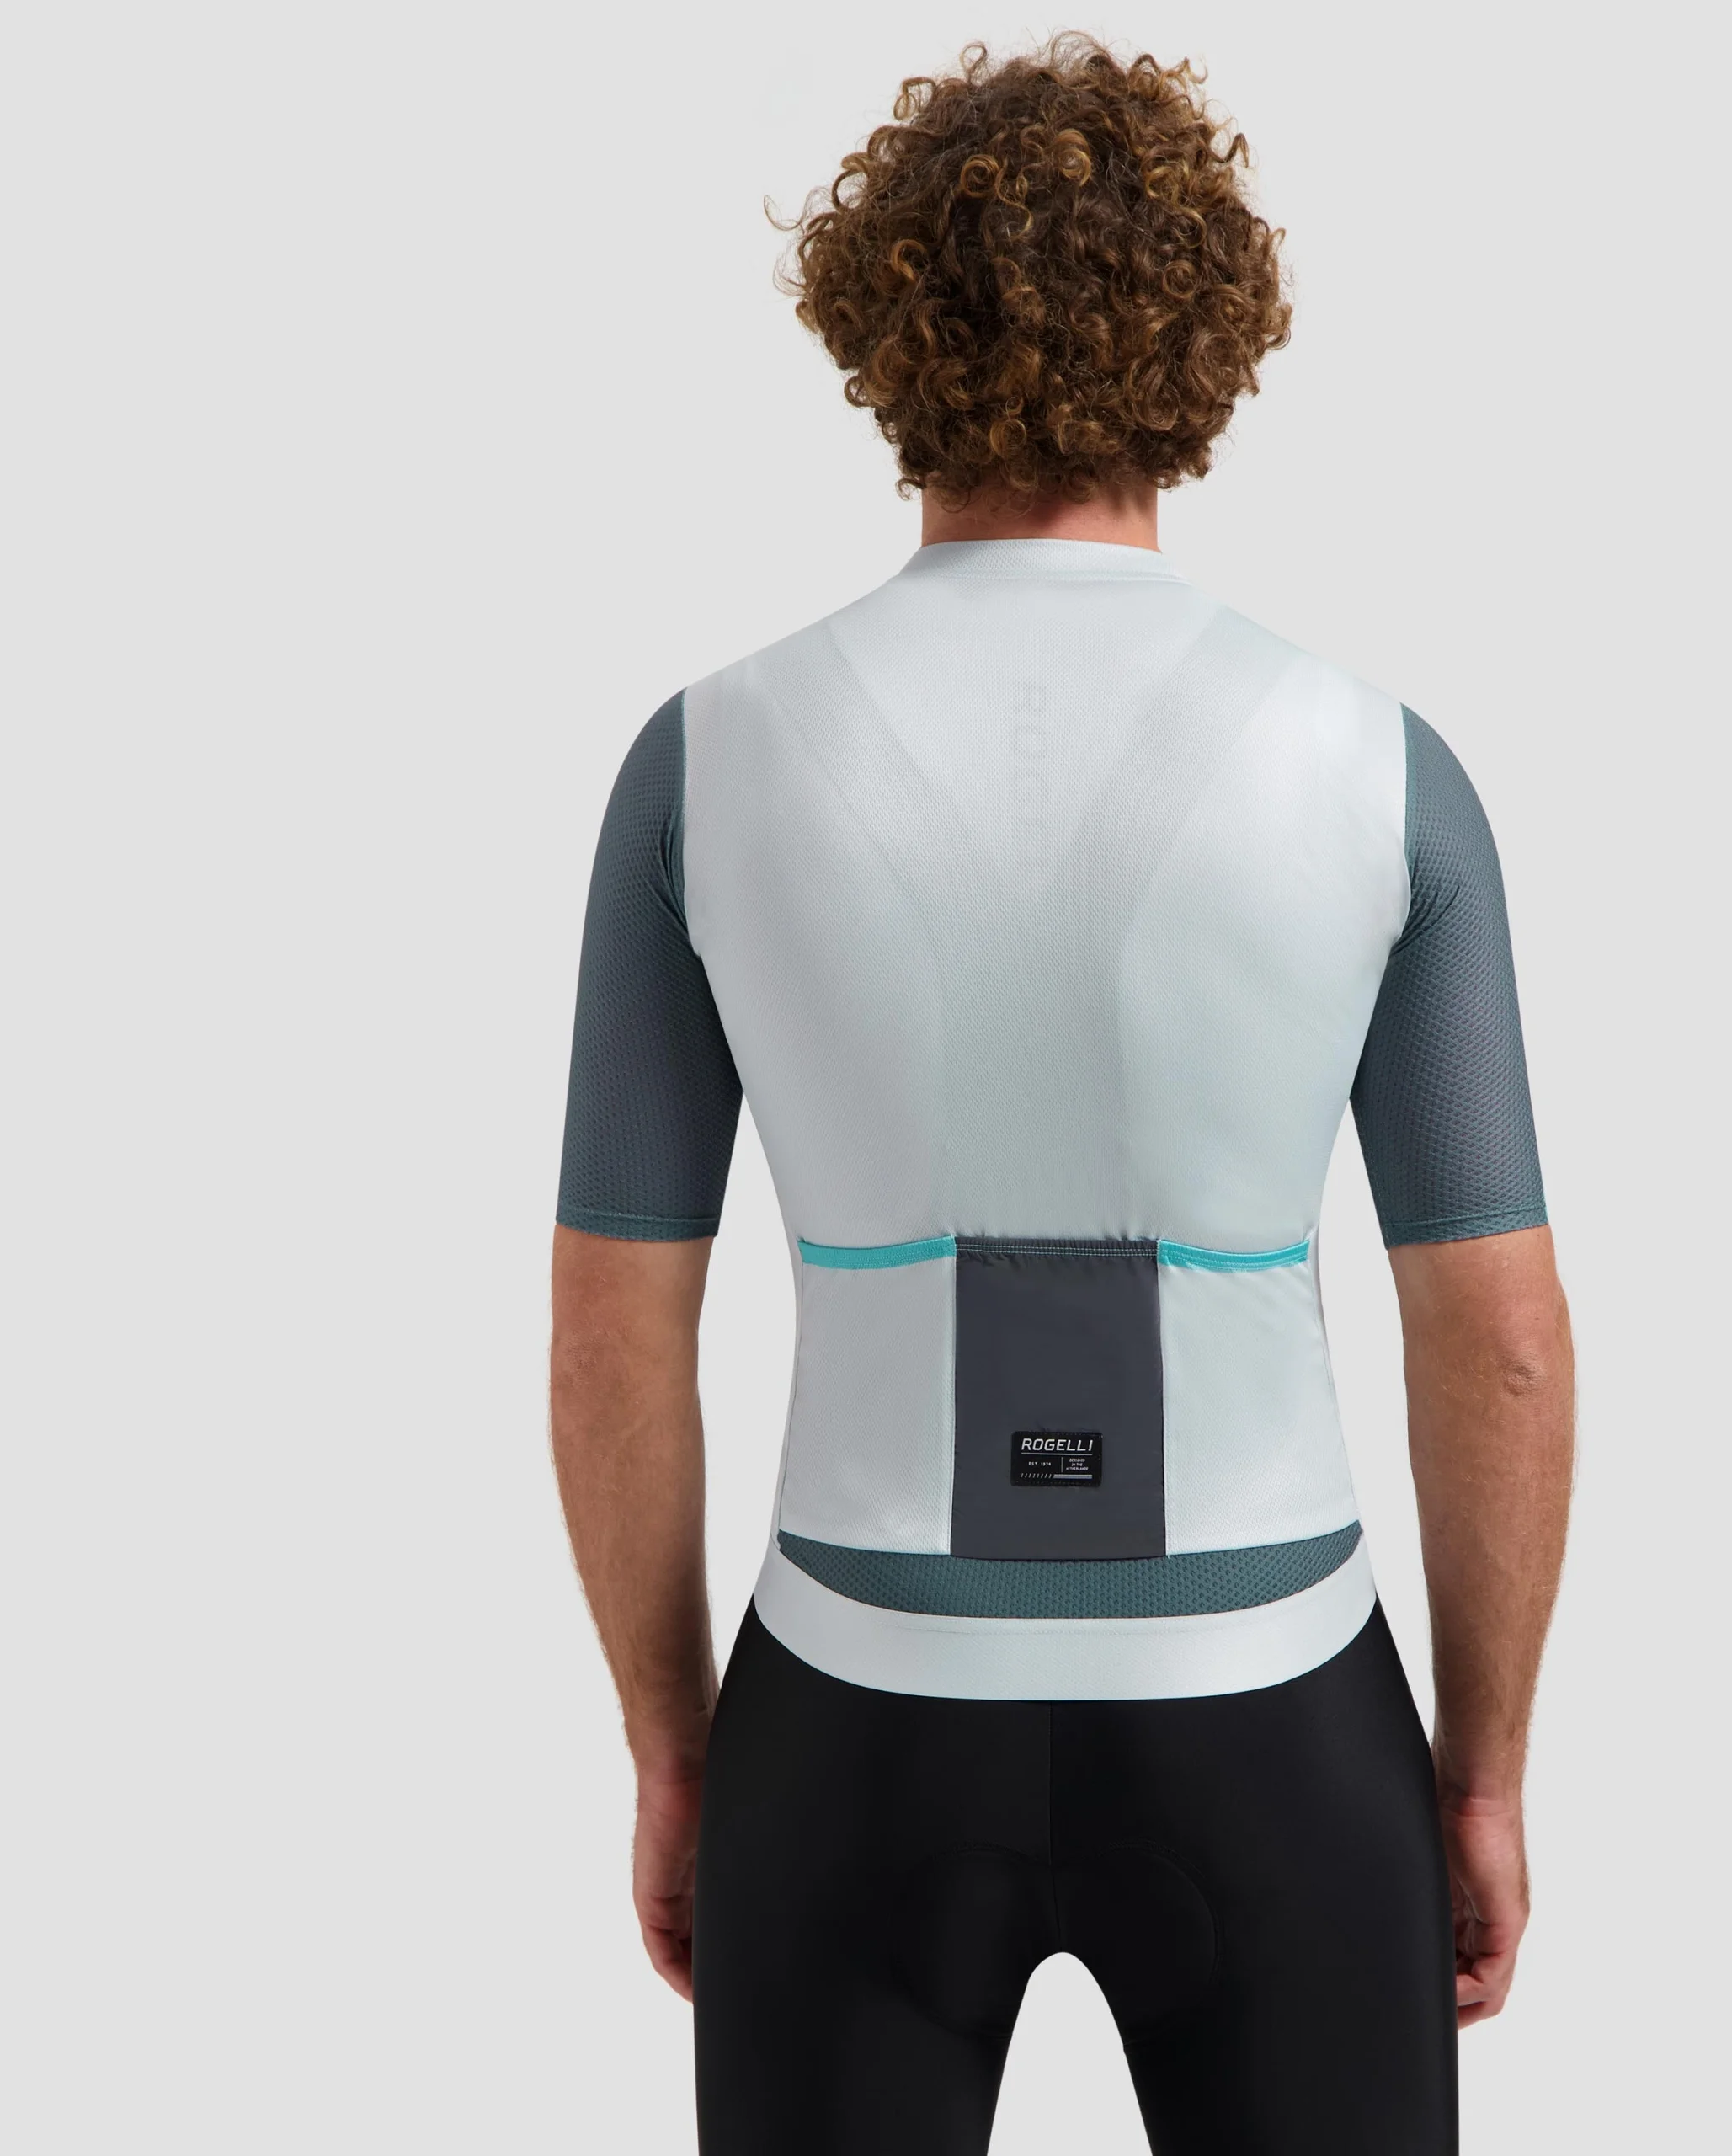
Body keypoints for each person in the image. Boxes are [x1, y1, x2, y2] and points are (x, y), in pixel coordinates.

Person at [549, 35, 1574, 2155]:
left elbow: (609, 1323)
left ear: (879, 327)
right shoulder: (1376, 768)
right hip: (1274, 1710)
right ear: (1204, 334)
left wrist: (673, 1744)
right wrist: (1478, 1770)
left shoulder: (703, 763)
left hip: (850, 1713)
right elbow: (1498, 1339)